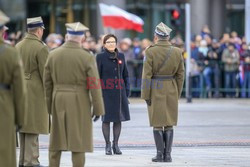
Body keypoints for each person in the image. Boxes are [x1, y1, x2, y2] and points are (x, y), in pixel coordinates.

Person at [44, 22, 105, 167]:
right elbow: (94, 85)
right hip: (80, 101)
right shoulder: (87, 57)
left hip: (58, 99)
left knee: (56, 142)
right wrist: (98, 109)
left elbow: (47, 84)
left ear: (66, 36)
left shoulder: (53, 55)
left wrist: (49, 107)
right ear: (82, 38)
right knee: (78, 142)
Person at [141, 22, 185, 162]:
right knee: (170, 123)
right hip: (171, 87)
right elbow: (180, 75)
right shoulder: (177, 51)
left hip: (156, 87)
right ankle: (168, 155)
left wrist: (145, 94)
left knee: (158, 122)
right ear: (168, 36)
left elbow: (146, 75)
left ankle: (160, 154)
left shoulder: (150, 51)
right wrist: (177, 92)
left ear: (156, 36)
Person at [15, 16, 49, 167]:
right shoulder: (41, 47)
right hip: (35, 91)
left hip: (20, 89)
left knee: (24, 126)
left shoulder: (18, 45)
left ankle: (23, 160)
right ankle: (32, 161)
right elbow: (46, 75)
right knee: (33, 126)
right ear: (39, 30)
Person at [96, 34, 130, 155]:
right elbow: (96, 77)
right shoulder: (100, 57)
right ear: (104, 44)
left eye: (113, 42)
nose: (111, 44)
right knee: (106, 120)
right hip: (105, 92)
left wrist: (127, 91)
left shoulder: (121, 56)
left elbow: (125, 75)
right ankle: (107, 145)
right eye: (108, 42)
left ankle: (116, 144)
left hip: (120, 93)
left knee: (118, 119)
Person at [0, 10, 26, 167]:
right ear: (3, 30)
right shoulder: (10, 53)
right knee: (4, 153)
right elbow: (20, 90)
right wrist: (20, 118)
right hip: (4, 106)